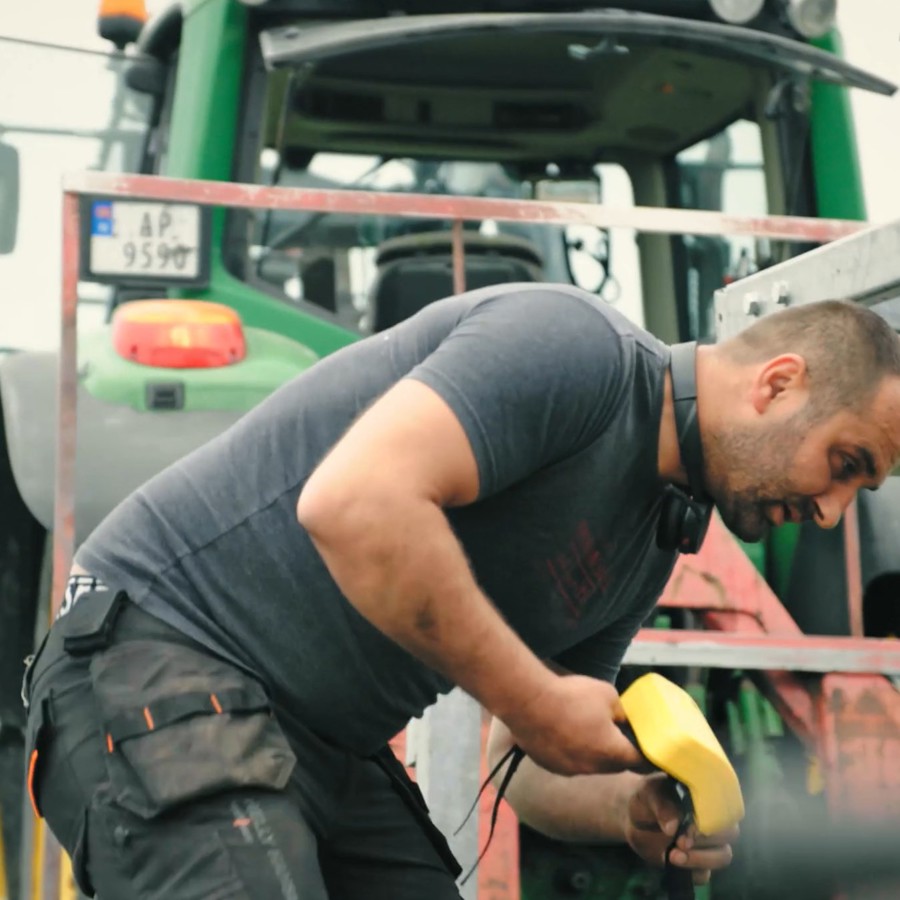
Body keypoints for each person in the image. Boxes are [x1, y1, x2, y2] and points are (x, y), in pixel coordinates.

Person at [22, 283, 900, 899]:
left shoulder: (650, 541)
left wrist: (625, 810)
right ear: (777, 383)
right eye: (844, 464)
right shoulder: (574, 348)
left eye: (857, 492)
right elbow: (353, 504)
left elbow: (517, 756)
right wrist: (539, 697)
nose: (828, 512)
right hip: (160, 654)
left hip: (322, 738)